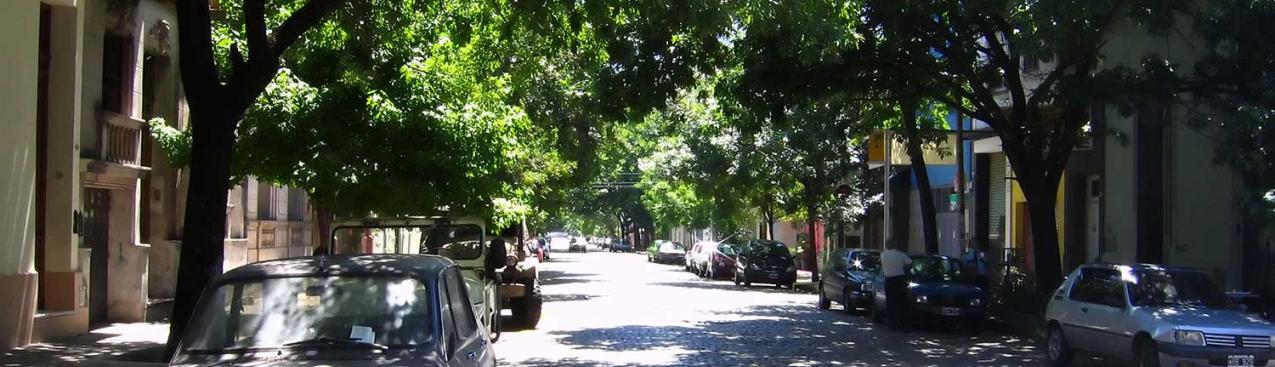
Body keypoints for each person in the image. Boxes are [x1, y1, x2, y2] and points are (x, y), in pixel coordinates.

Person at [880, 239, 913, 331]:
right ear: (894, 244)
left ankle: (892, 324)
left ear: (886, 245)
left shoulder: (883, 255)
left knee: (890, 303)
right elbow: (910, 263)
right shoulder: (899, 254)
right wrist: (905, 270)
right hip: (899, 279)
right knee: (902, 303)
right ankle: (904, 324)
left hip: (889, 279)